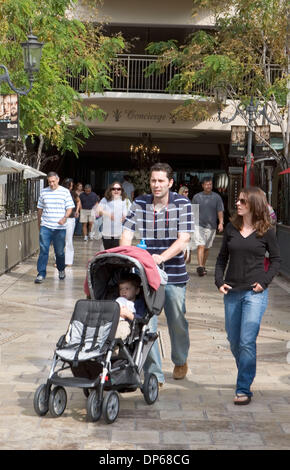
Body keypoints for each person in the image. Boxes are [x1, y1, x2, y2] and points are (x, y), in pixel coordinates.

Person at [120, 163, 194, 385]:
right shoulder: (140, 202)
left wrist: (162, 257)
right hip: (145, 274)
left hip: (174, 274)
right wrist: (125, 256)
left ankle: (180, 360)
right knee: (146, 324)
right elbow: (126, 232)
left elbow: (184, 239)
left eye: (161, 181)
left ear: (170, 183)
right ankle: (154, 375)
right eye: (153, 180)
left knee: (177, 321)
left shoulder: (182, 204)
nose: (156, 185)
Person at [215, 186, 281, 405]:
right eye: (238, 201)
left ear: (254, 204)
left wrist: (264, 282)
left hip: (255, 293)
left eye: (242, 201)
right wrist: (219, 281)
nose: (237, 204)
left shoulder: (266, 231)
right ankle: (246, 369)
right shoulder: (232, 228)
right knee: (234, 341)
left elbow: (276, 260)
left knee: (246, 341)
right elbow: (222, 257)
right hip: (232, 291)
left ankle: (243, 387)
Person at [34, 172, 75, 284]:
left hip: (59, 228)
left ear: (58, 180)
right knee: (43, 250)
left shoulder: (65, 192)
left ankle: (61, 269)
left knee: (60, 252)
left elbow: (70, 208)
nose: (51, 184)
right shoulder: (43, 192)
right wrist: (39, 224)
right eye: (49, 182)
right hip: (46, 226)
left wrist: (65, 217)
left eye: (53, 181)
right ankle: (41, 274)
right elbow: (39, 210)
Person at [192, 176, 224, 276]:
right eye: (206, 184)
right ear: (202, 185)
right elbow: (193, 211)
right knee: (200, 245)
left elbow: (220, 210)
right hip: (199, 225)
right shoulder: (197, 197)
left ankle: (203, 266)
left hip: (211, 226)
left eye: (210, 184)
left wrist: (221, 222)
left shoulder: (217, 197)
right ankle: (200, 266)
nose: (208, 186)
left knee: (207, 248)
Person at [98, 181, 131, 250]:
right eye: (114, 189)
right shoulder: (105, 200)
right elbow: (98, 211)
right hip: (107, 233)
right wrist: (108, 214)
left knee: (118, 254)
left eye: (118, 189)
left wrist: (126, 216)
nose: (116, 190)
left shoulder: (125, 201)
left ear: (121, 190)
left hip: (120, 233)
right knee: (108, 253)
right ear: (110, 190)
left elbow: (131, 213)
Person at [115, 274, 146, 340]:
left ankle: (114, 348)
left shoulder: (139, 303)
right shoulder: (118, 301)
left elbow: (141, 320)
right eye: (121, 289)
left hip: (128, 325)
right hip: (113, 323)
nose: (123, 291)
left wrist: (128, 314)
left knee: (121, 329)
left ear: (137, 291)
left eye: (127, 288)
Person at [62, 178, 80, 267]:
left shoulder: (73, 193)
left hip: (70, 219)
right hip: (61, 219)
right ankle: (59, 260)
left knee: (68, 239)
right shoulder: (60, 193)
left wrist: (77, 210)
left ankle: (69, 260)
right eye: (71, 185)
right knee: (60, 240)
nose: (72, 187)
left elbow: (78, 201)